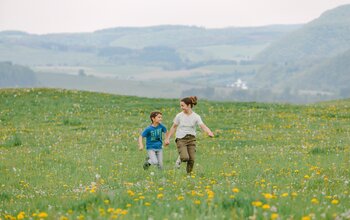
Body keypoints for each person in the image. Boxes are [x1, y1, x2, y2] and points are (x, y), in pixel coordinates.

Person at [164, 96, 214, 174]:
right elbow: (174, 127)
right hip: (181, 138)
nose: (181, 107)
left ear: (189, 105)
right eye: (181, 105)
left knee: (192, 159)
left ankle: (188, 175)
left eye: (182, 105)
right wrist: (167, 138)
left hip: (191, 139)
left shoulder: (196, 116)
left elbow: (202, 126)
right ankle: (179, 160)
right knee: (185, 157)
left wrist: (209, 132)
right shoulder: (179, 116)